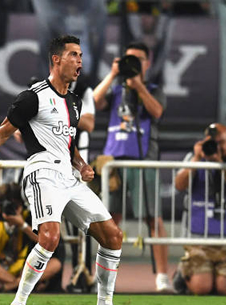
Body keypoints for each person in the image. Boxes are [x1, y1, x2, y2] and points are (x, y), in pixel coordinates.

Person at [0, 35, 135, 305]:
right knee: (49, 237)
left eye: (81, 55)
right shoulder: (33, 97)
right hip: (42, 171)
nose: (79, 61)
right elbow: (2, 132)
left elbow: (69, 147)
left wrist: (82, 165)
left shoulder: (74, 102)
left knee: (113, 236)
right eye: (73, 55)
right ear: (56, 59)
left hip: (69, 176)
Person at [92, 41, 171, 292]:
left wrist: (138, 86)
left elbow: (157, 112)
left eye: (138, 59)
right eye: (129, 59)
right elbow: (94, 101)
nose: (133, 64)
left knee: (153, 218)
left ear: (147, 63)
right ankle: (103, 278)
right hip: (114, 161)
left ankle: (162, 277)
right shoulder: (115, 89)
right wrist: (114, 73)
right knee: (109, 221)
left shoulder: (153, 89)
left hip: (143, 159)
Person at [173, 123, 226, 295]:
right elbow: (179, 184)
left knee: (222, 289)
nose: (217, 147)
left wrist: (219, 163)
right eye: (213, 143)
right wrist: (196, 159)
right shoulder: (193, 157)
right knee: (202, 288)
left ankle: (222, 278)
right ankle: (182, 275)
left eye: (221, 142)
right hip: (198, 240)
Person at [0, 183, 65, 293]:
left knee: (55, 264)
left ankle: (13, 285)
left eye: (15, 205)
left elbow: (45, 243)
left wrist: (23, 225)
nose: (11, 209)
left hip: (23, 268)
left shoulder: (29, 217)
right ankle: (19, 285)